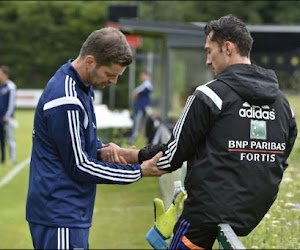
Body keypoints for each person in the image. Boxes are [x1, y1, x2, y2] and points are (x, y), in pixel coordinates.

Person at [99, 15, 298, 249]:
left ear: (227, 47)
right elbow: (281, 157)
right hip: (251, 214)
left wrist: (125, 155)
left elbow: (172, 155)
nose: (207, 61)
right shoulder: (282, 103)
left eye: (209, 51)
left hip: (205, 215)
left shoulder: (210, 94)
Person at [25, 27, 166, 250]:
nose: (113, 81)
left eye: (118, 76)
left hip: (69, 214)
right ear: (90, 61)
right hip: (60, 214)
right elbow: (79, 166)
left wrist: (101, 150)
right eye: (110, 75)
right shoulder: (67, 99)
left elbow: (74, 143)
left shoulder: (83, 87)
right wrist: (138, 171)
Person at [128, 70, 153, 145]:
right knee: (137, 124)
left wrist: (137, 94)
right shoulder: (144, 85)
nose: (141, 77)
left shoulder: (147, 85)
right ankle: (133, 139)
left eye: (143, 75)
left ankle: (132, 140)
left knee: (138, 125)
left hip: (141, 108)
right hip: (140, 108)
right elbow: (135, 93)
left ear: (147, 76)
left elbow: (136, 92)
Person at [0, 65, 17, 164]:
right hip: (0, 117)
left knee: (10, 138)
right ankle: (3, 158)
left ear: (5, 75)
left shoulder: (11, 87)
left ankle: (12, 159)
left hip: (7, 118)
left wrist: (8, 115)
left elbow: (11, 103)